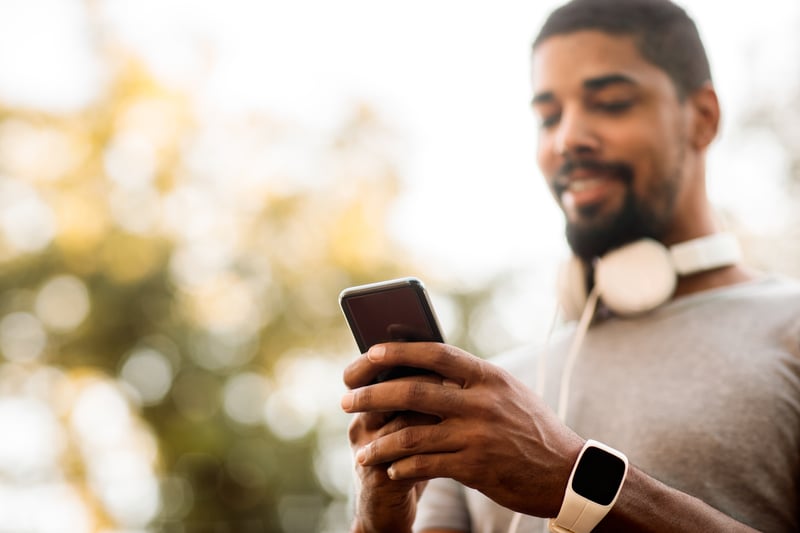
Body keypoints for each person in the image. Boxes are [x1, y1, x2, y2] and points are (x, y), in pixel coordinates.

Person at [340, 0, 800, 531]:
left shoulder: (789, 329)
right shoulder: (489, 394)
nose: (567, 139)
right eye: (548, 117)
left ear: (702, 117)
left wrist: (573, 479)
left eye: (611, 103)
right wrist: (379, 517)